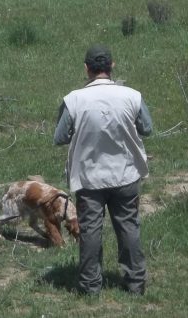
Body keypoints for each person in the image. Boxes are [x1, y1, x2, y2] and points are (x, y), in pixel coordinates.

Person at [53, 45, 153, 296]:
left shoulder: (73, 99)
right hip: (125, 175)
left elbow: (60, 137)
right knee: (129, 227)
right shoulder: (132, 96)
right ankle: (135, 284)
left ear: (86, 69)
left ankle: (90, 287)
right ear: (112, 66)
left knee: (90, 231)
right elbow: (147, 128)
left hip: (89, 178)